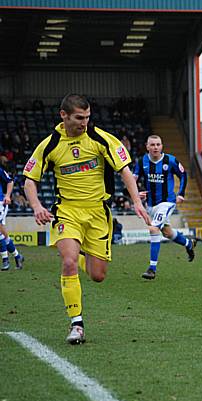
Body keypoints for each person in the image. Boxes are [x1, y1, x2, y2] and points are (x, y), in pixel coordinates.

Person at [23, 94, 151, 344]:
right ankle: (77, 324)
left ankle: (82, 257)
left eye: (88, 117)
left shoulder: (99, 138)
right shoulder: (49, 145)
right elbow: (30, 180)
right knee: (68, 262)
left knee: (97, 275)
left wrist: (136, 201)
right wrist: (37, 205)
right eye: (79, 118)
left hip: (97, 214)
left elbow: (124, 169)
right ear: (64, 116)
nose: (84, 122)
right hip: (67, 211)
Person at [133, 135, 196, 279]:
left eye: (158, 144)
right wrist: (136, 193)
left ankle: (152, 269)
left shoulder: (170, 160)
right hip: (151, 204)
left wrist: (181, 194)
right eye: (152, 145)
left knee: (154, 229)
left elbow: (183, 175)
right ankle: (188, 243)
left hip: (167, 202)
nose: (155, 147)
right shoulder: (142, 161)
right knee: (167, 232)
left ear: (162, 146)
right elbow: (133, 179)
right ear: (147, 146)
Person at [0, 164, 25, 270]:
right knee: (3, 233)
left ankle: (5, 260)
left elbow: (10, 181)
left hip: (0, 202)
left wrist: (7, 196)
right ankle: (17, 256)